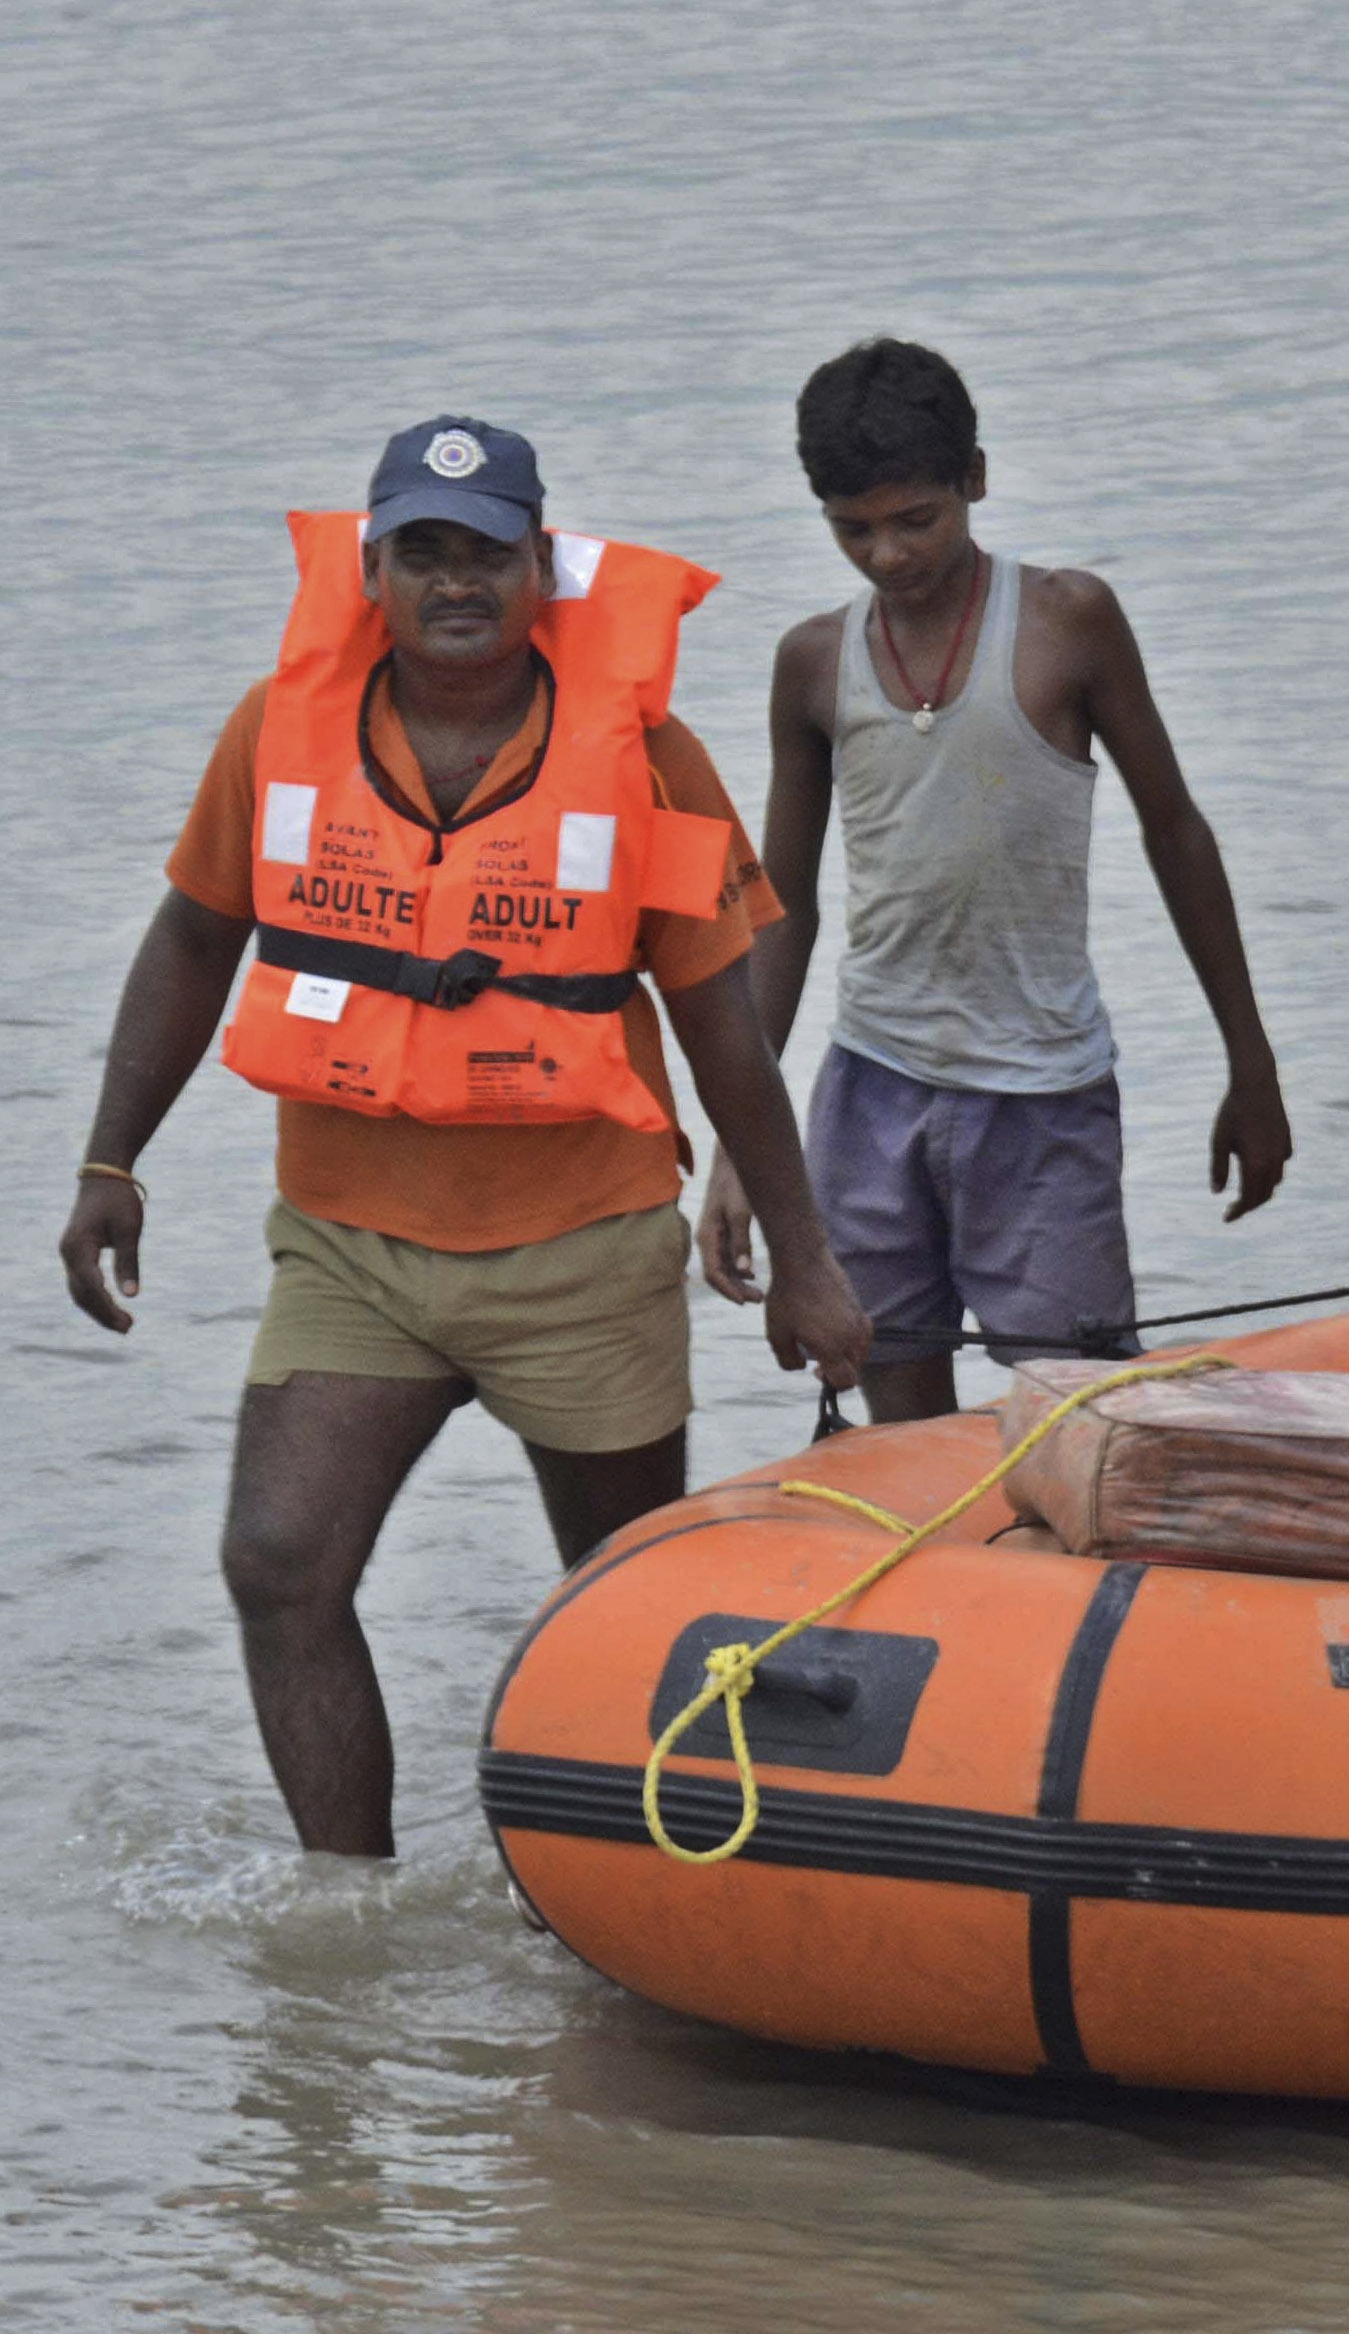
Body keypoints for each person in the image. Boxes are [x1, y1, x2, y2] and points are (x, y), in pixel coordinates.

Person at [54, 416, 871, 1857]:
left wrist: (807, 1260)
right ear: (370, 568)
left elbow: (722, 1027)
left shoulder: (649, 754)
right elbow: (193, 937)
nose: (453, 582)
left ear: (541, 565)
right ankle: (347, 1913)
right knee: (277, 1561)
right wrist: (111, 1159)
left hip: (583, 1248)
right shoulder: (276, 727)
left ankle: (622, 1910)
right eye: (419, 551)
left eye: (484, 551)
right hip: (349, 1248)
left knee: (614, 1602)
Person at [697, 339, 1291, 1423]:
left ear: (974, 476)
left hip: (1042, 1100)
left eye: (915, 518)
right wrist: (749, 1144)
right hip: (867, 1094)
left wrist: (1250, 1065)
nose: (886, 554)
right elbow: (780, 911)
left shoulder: (1068, 622)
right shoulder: (811, 665)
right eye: (853, 529)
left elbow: (1178, 834)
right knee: (896, 1409)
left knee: (1078, 1409)